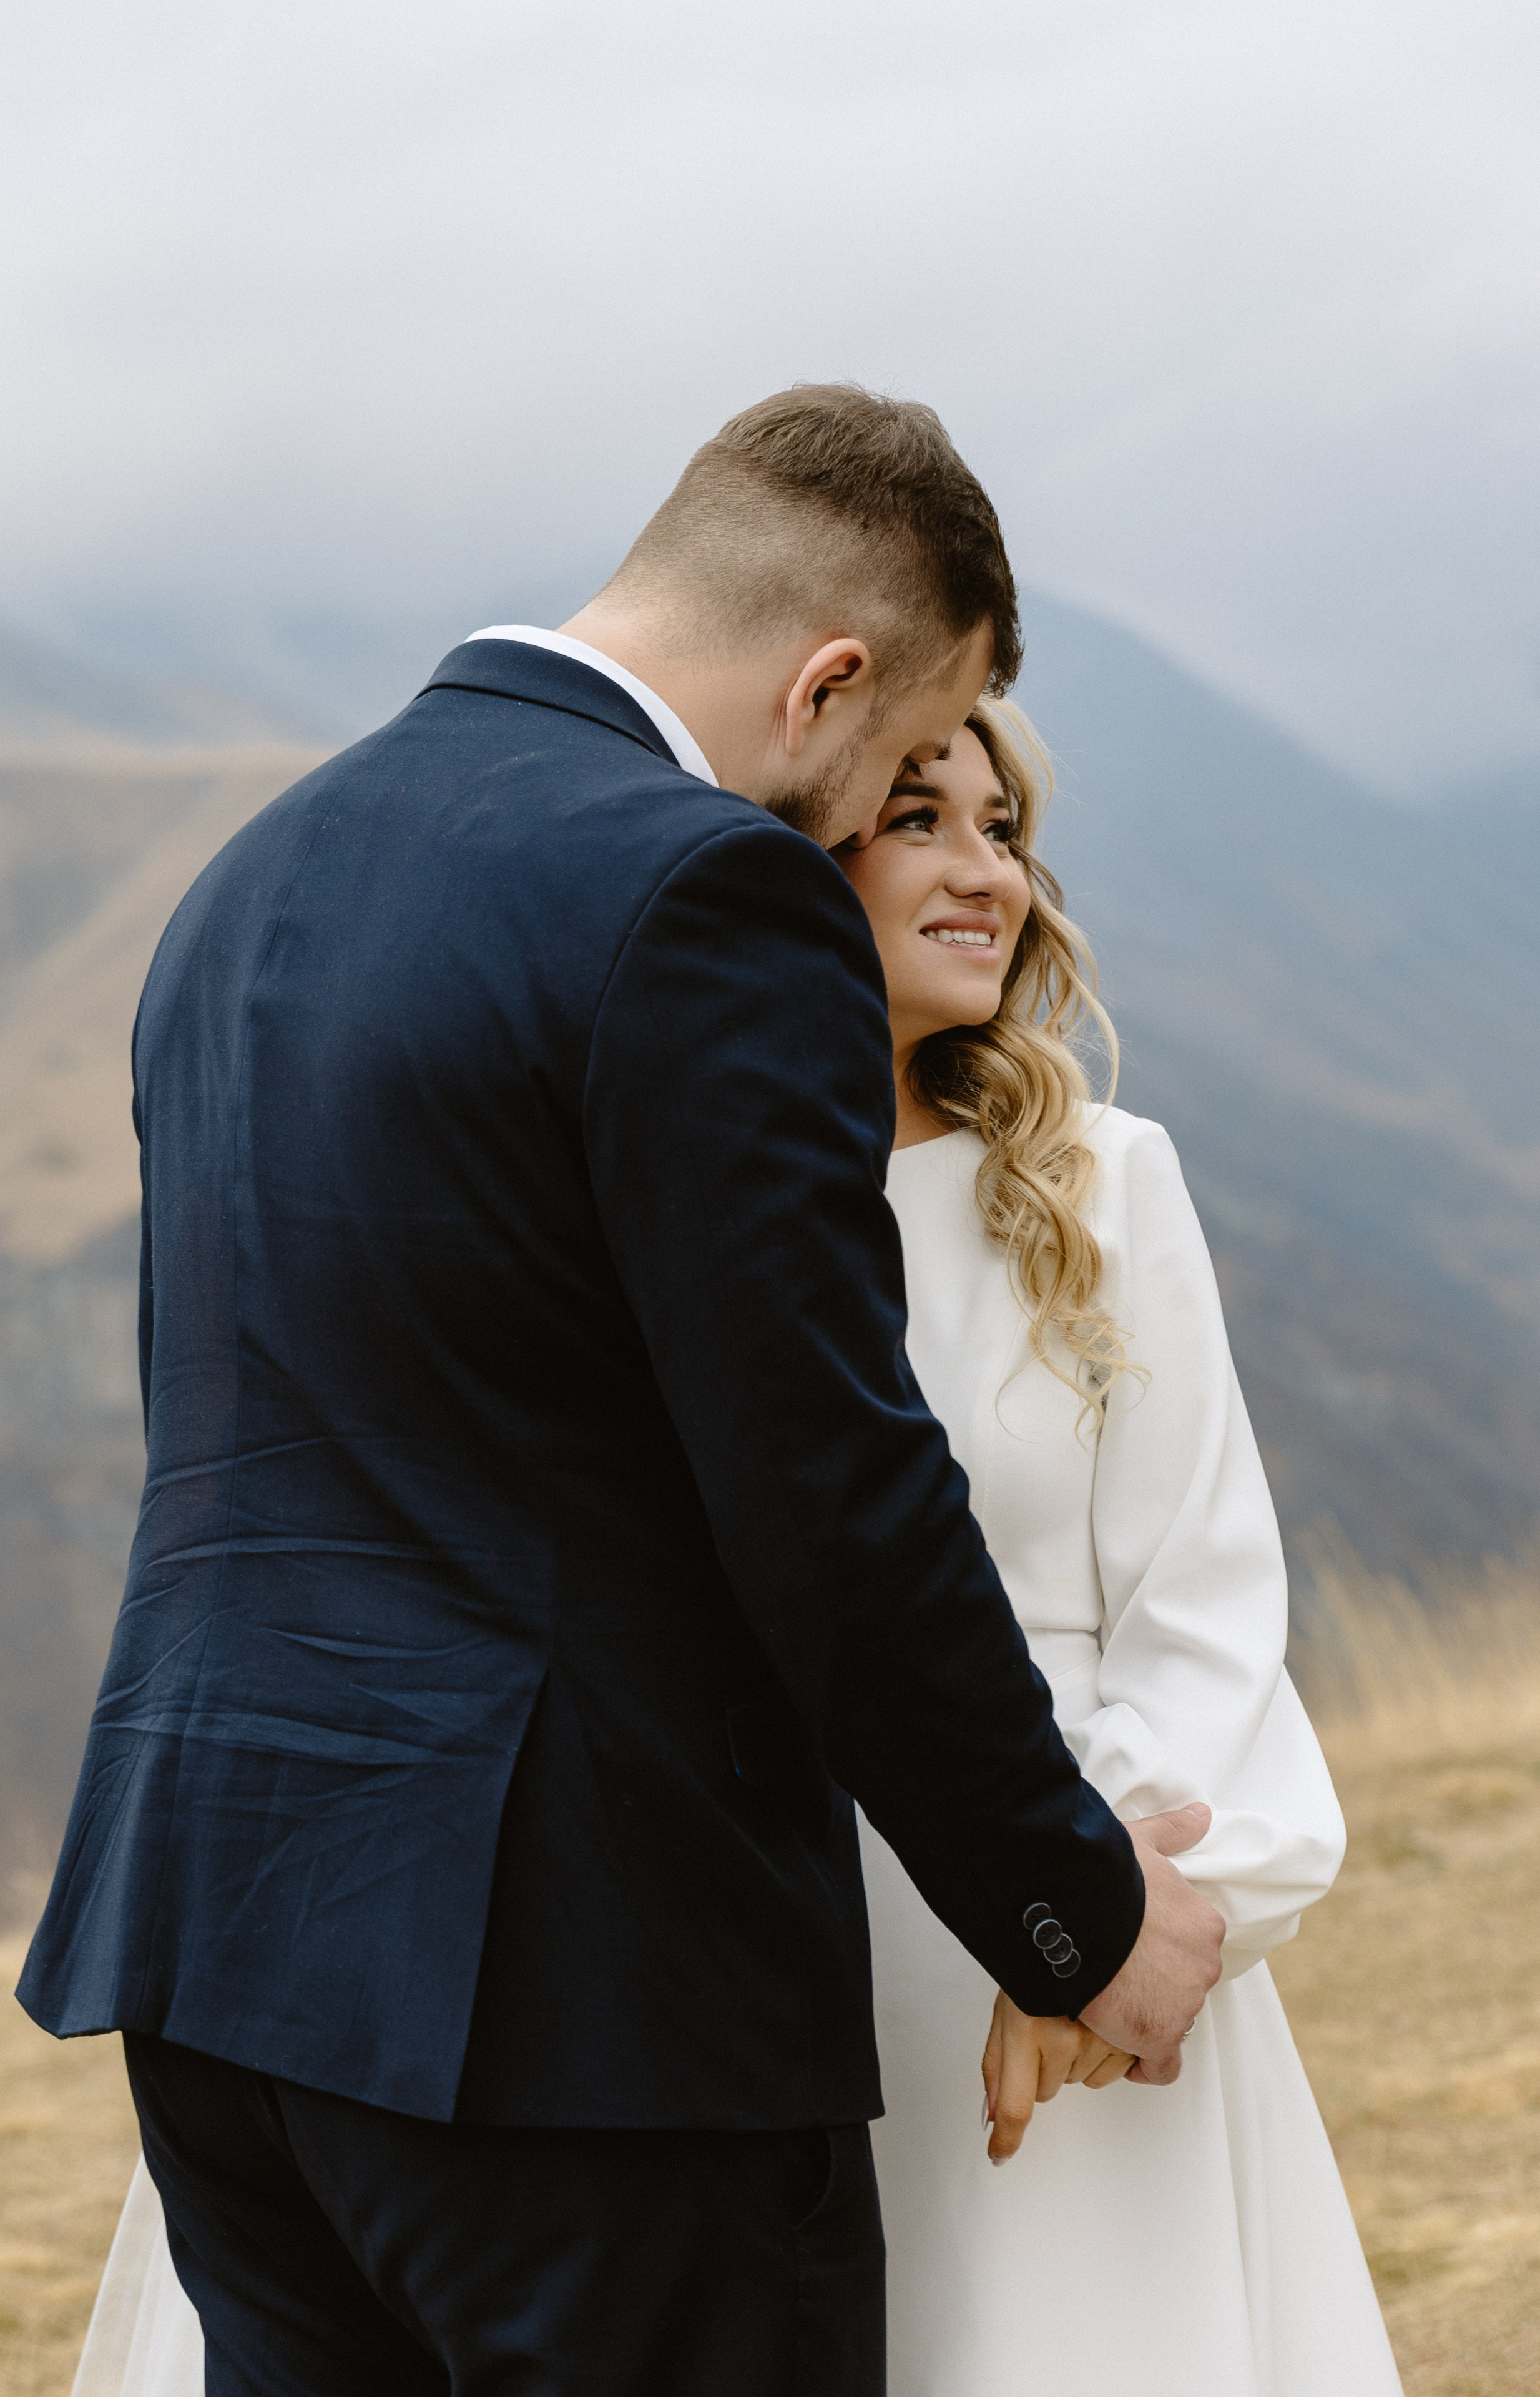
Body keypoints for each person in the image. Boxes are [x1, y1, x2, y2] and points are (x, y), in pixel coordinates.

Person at [20, 386, 1223, 2397]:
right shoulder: (703, 895)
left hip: (224, 1971)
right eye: (891, 768)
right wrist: (1070, 1909)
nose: (863, 828)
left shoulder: (244, 885)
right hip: (580, 2011)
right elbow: (830, 1486)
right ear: (828, 685)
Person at [838, 700, 1403, 2395]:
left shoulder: (1103, 1181)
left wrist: (1075, 1946)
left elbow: (1204, 1603)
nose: (982, 871)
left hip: (1091, 1903)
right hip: (797, 1950)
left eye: (1002, 830)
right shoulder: (707, 1199)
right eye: (920, 817)